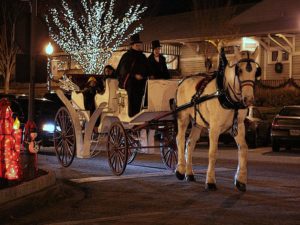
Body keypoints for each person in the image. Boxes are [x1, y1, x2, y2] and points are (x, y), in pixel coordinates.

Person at [115, 33, 149, 117]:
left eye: (139, 45)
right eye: (137, 45)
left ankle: (144, 113)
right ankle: (132, 115)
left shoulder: (143, 56)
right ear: (132, 45)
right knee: (133, 94)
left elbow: (147, 68)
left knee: (148, 91)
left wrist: (145, 75)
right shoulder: (127, 56)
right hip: (131, 81)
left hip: (142, 81)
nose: (138, 47)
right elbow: (123, 70)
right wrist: (134, 75)